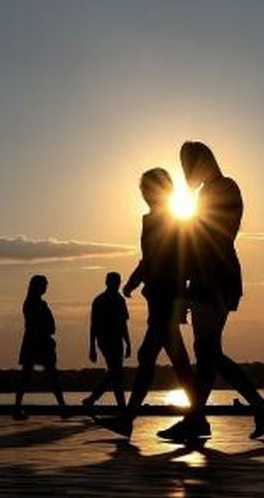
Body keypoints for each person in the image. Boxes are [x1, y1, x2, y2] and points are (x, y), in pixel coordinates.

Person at [160, 141, 264, 443]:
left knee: (208, 350)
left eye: (187, 167)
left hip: (215, 278)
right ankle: (198, 419)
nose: (186, 175)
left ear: (202, 162)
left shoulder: (223, 188)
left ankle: (254, 406)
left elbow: (212, 238)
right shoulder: (208, 192)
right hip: (207, 278)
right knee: (207, 352)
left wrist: (197, 281)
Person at [101, 168, 196, 437]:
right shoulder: (156, 219)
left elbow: (173, 256)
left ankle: (129, 419)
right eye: (143, 190)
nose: (145, 194)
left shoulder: (170, 220)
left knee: (154, 357)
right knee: (173, 358)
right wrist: (134, 281)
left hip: (166, 295)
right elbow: (150, 258)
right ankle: (195, 415)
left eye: (148, 189)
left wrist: (146, 281)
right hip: (161, 295)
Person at [14, 274, 68, 420]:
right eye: (43, 285)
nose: (45, 288)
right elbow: (37, 324)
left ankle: (62, 407)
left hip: (38, 342)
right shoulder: (33, 304)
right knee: (42, 376)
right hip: (37, 342)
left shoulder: (36, 303)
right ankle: (62, 407)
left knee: (46, 376)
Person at [82, 271, 133, 409]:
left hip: (117, 340)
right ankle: (120, 405)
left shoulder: (120, 300)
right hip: (105, 340)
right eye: (113, 282)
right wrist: (92, 347)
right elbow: (94, 325)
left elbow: (123, 324)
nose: (116, 285)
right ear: (107, 282)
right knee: (116, 372)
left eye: (117, 282)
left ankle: (92, 399)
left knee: (115, 372)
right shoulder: (99, 300)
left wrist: (128, 343)